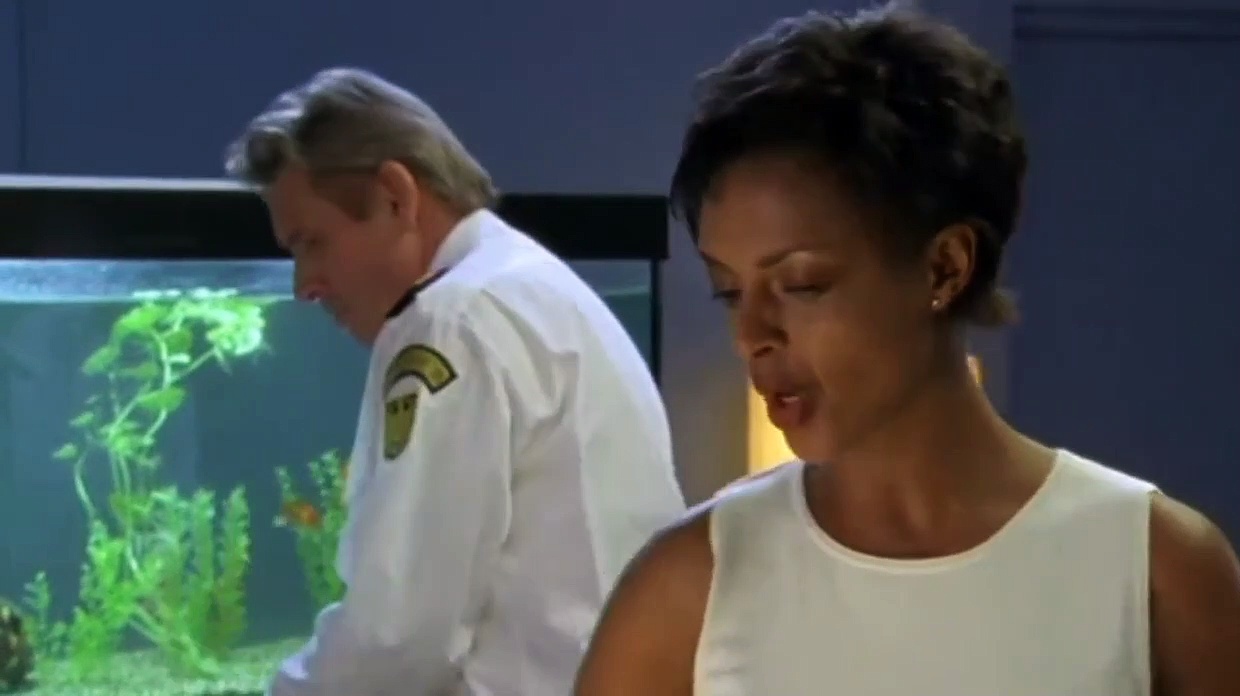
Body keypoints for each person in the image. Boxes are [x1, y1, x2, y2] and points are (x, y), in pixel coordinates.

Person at [574, 6, 1240, 696]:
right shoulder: (689, 592)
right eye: (730, 292)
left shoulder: (1156, 569)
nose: (752, 335)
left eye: (802, 284)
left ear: (944, 268)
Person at [224, 67, 687, 696]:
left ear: (395, 195)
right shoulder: (530, 286)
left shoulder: (451, 321)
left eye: (313, 243)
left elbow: (397, 635)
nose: (304, 285)